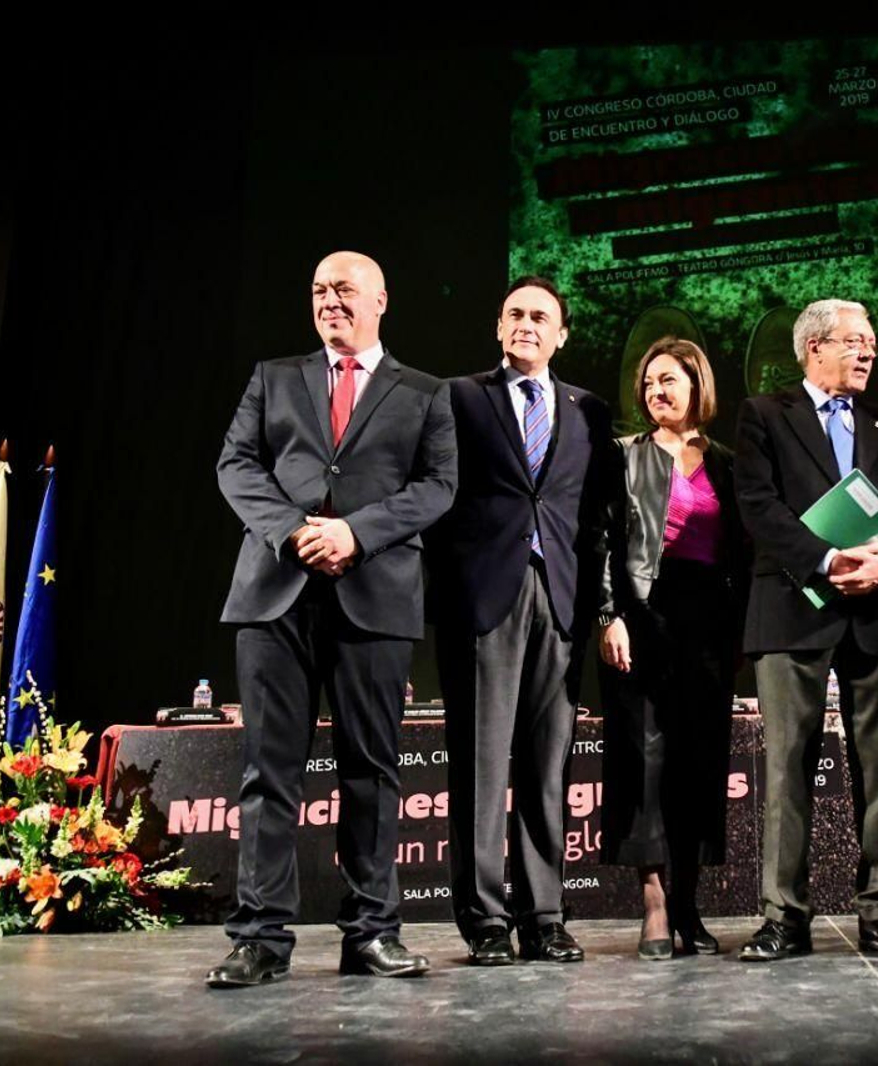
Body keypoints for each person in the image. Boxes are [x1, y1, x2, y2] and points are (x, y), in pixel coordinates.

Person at [210, 251, 457, 987]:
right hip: (276, 594)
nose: (330, 302)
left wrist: (357, 532)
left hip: (373, 593)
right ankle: (258, 938)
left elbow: (439, 487)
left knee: (373, 773)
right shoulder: (273, 377)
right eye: (318, 291)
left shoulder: (424, 392)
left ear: (381, 299)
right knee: (269, 772)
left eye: (344, 290)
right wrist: (293, 529)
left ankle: (373, 932)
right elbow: (235, 465)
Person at [732, 299, 878, 961]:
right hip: (792, 608)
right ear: (814, 348)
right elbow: (757, 504)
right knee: (788, 770)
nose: (868, 352)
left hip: (876, 614)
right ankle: (784, 919)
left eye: (871, 342)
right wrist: (826, 559)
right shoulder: (763, 416)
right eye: (854, 342)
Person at [432, 276, 612, 965]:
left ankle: (543, 916)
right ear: (498, 327)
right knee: (481, 765)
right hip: (483, 600)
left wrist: (596, 606)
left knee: (547, 766)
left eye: (541, 316)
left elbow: (593, 515)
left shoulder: (587, 410)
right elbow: (435, 494)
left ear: (561, 334)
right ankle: (483, 920)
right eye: (515, 314)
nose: (527, 324)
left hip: (559, 600)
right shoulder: (458, 397)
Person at [597, 337, 748, 960]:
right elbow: (602, 540)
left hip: (709, 626)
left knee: (698, 764)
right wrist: (610, 614)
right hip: (641, 616)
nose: (658, 392)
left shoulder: (729, 462)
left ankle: (688, 903)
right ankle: (655, 904)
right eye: (650, 383)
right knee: (643, 764)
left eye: (670, 380)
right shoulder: (622, 455)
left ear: (697, 386)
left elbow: (744, 553)